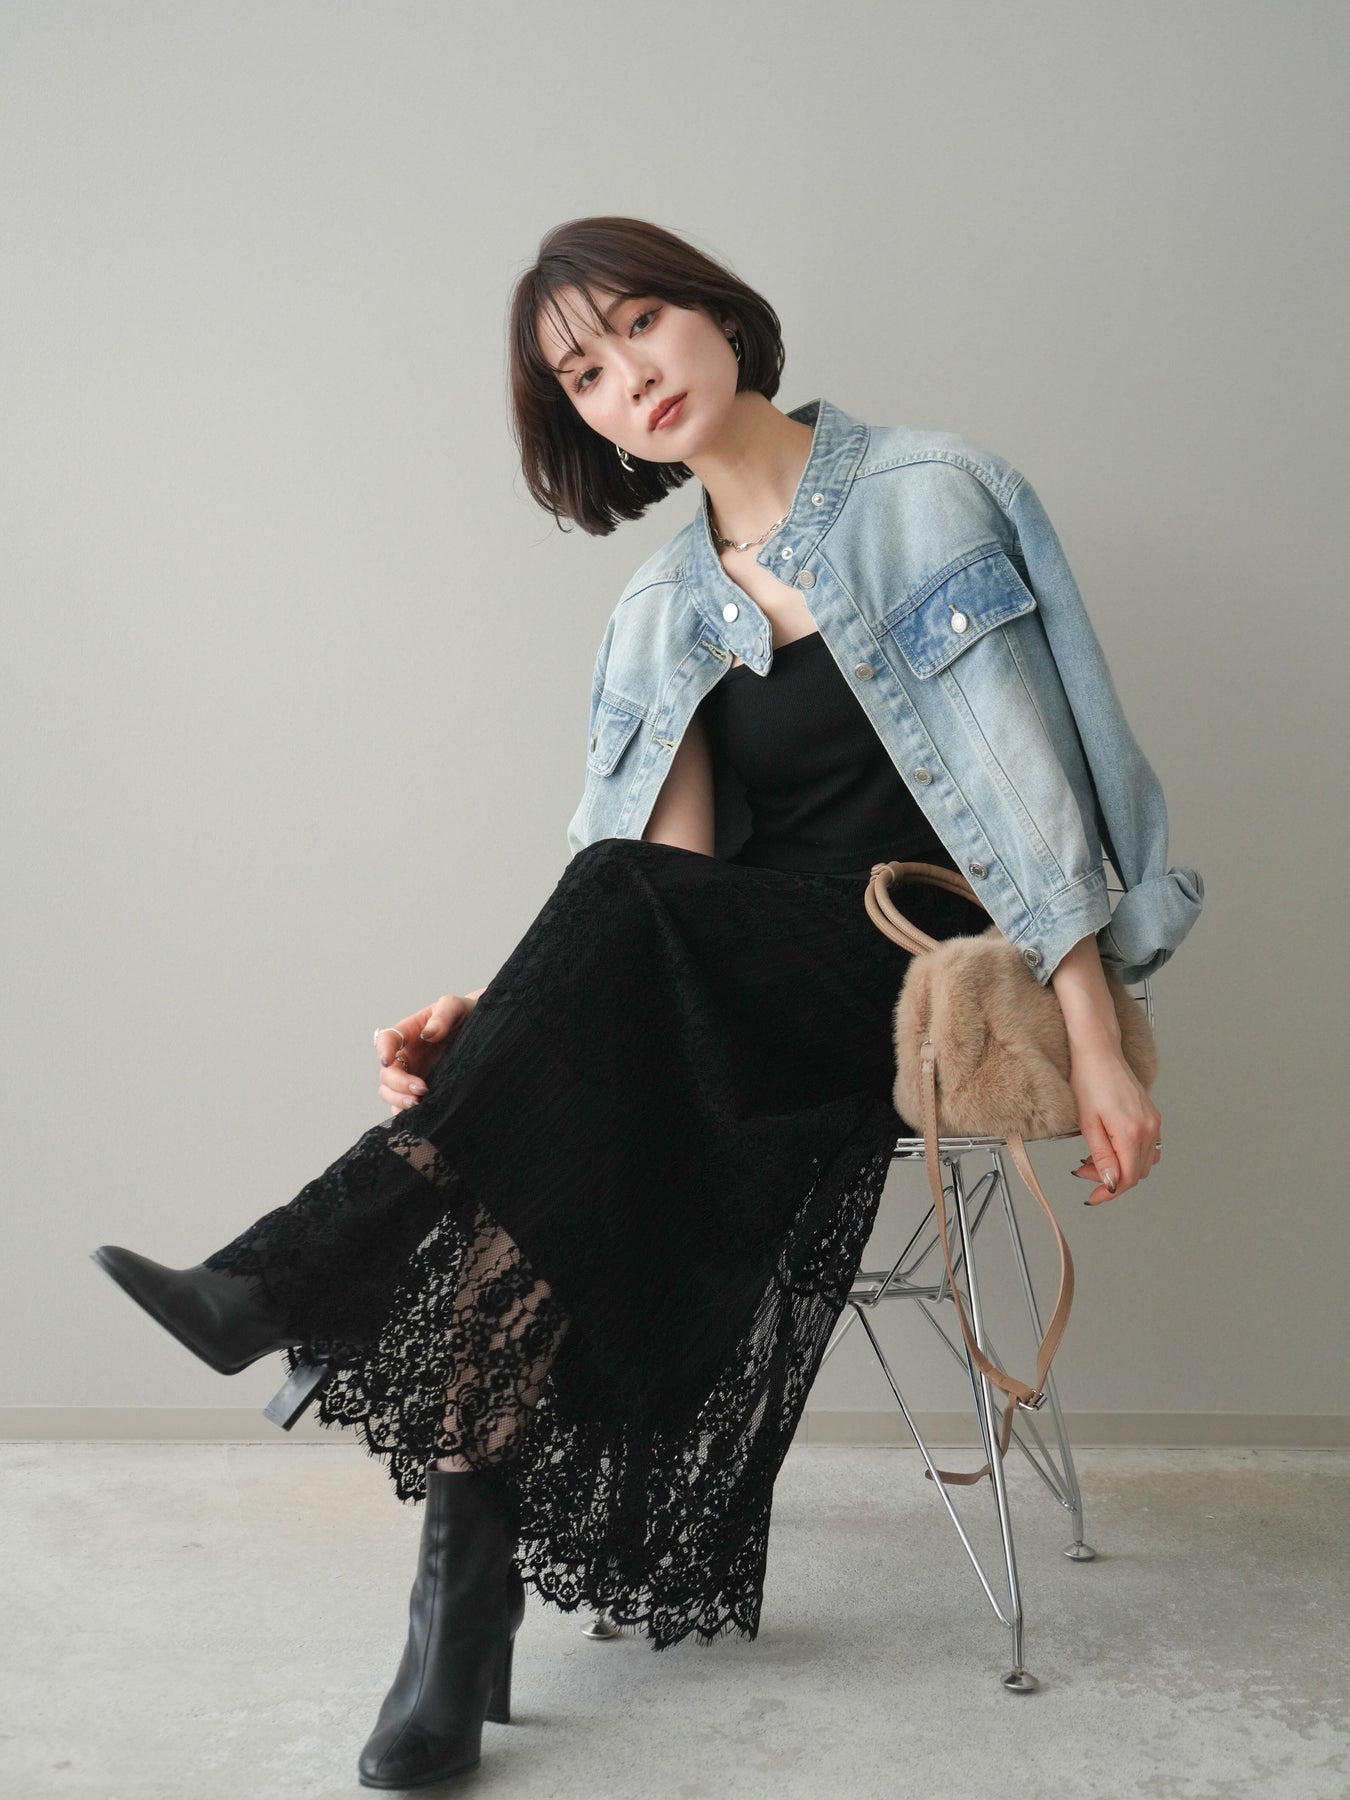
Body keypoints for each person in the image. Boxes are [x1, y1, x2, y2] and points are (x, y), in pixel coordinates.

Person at [91, 214, 1202, 1789]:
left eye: (638, 325)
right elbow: (655, 886)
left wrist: (1096, 1038)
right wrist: (497, 1021)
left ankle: (292, 1282)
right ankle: (453, 1622)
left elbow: (1040, 794)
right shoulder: (658, 610)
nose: (628, 378)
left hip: (932, 965)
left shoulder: (931, 493)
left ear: (720, 317)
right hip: (750, 988)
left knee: (563, 1037)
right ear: (588, 425)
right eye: (584, 376)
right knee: (541, 1137)